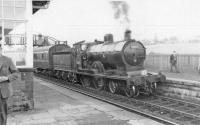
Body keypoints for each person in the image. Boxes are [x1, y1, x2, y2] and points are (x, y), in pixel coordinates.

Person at [0, 45, 18, 125]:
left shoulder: (7, 60)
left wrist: (7, 78)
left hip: (3, 91)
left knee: (2, 113)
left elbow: (16, 73)